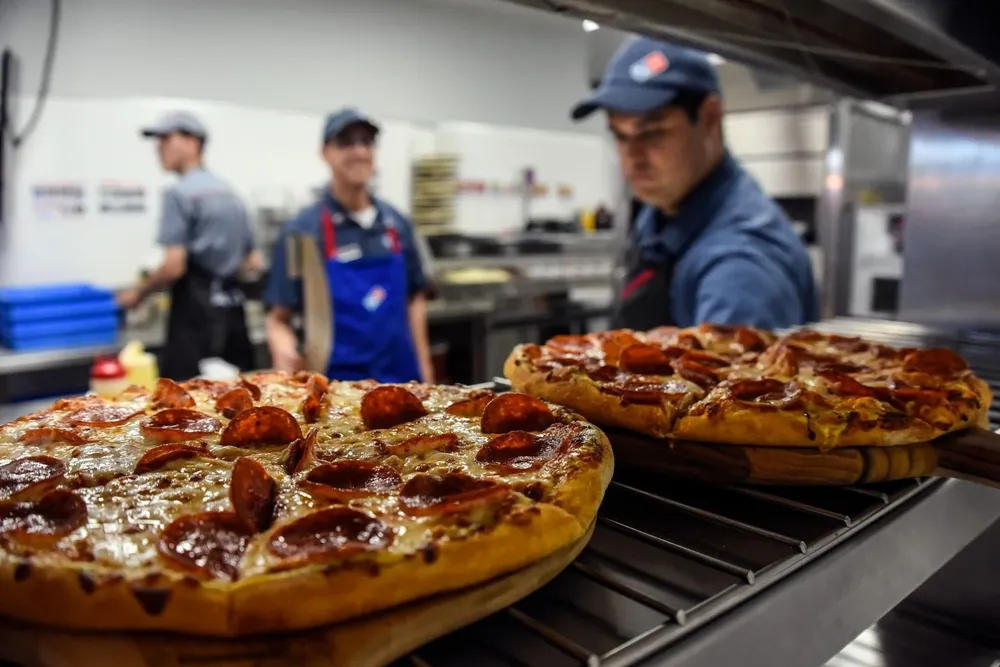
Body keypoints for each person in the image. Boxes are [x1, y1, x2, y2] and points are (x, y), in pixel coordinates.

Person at [572, 37, 818, 330]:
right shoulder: (665, 210)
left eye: (652, 133)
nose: (632, 157)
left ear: (710, 118)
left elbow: (732, 375)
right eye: (620, 135)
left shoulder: (740, 270)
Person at [265, 108, 434, 383]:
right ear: (325, 153)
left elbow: (415, 300)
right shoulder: (302, 232)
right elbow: (278, 319)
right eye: (346, 143)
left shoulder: (397, 223)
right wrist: (283, 350)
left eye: (366, 142)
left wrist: (426, 371)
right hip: (336, 391)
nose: (359, 152)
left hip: (403, 383)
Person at [117, 111, 261, 380]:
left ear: (193, 143)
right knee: (240, 399)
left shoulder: (179, 194)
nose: (158, 148)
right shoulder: (231, 193)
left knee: (188, 406)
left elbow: (173, 266)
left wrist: (138, 295)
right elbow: (252, 262)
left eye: (166, 139)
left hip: (195, 320)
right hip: (233, 317)